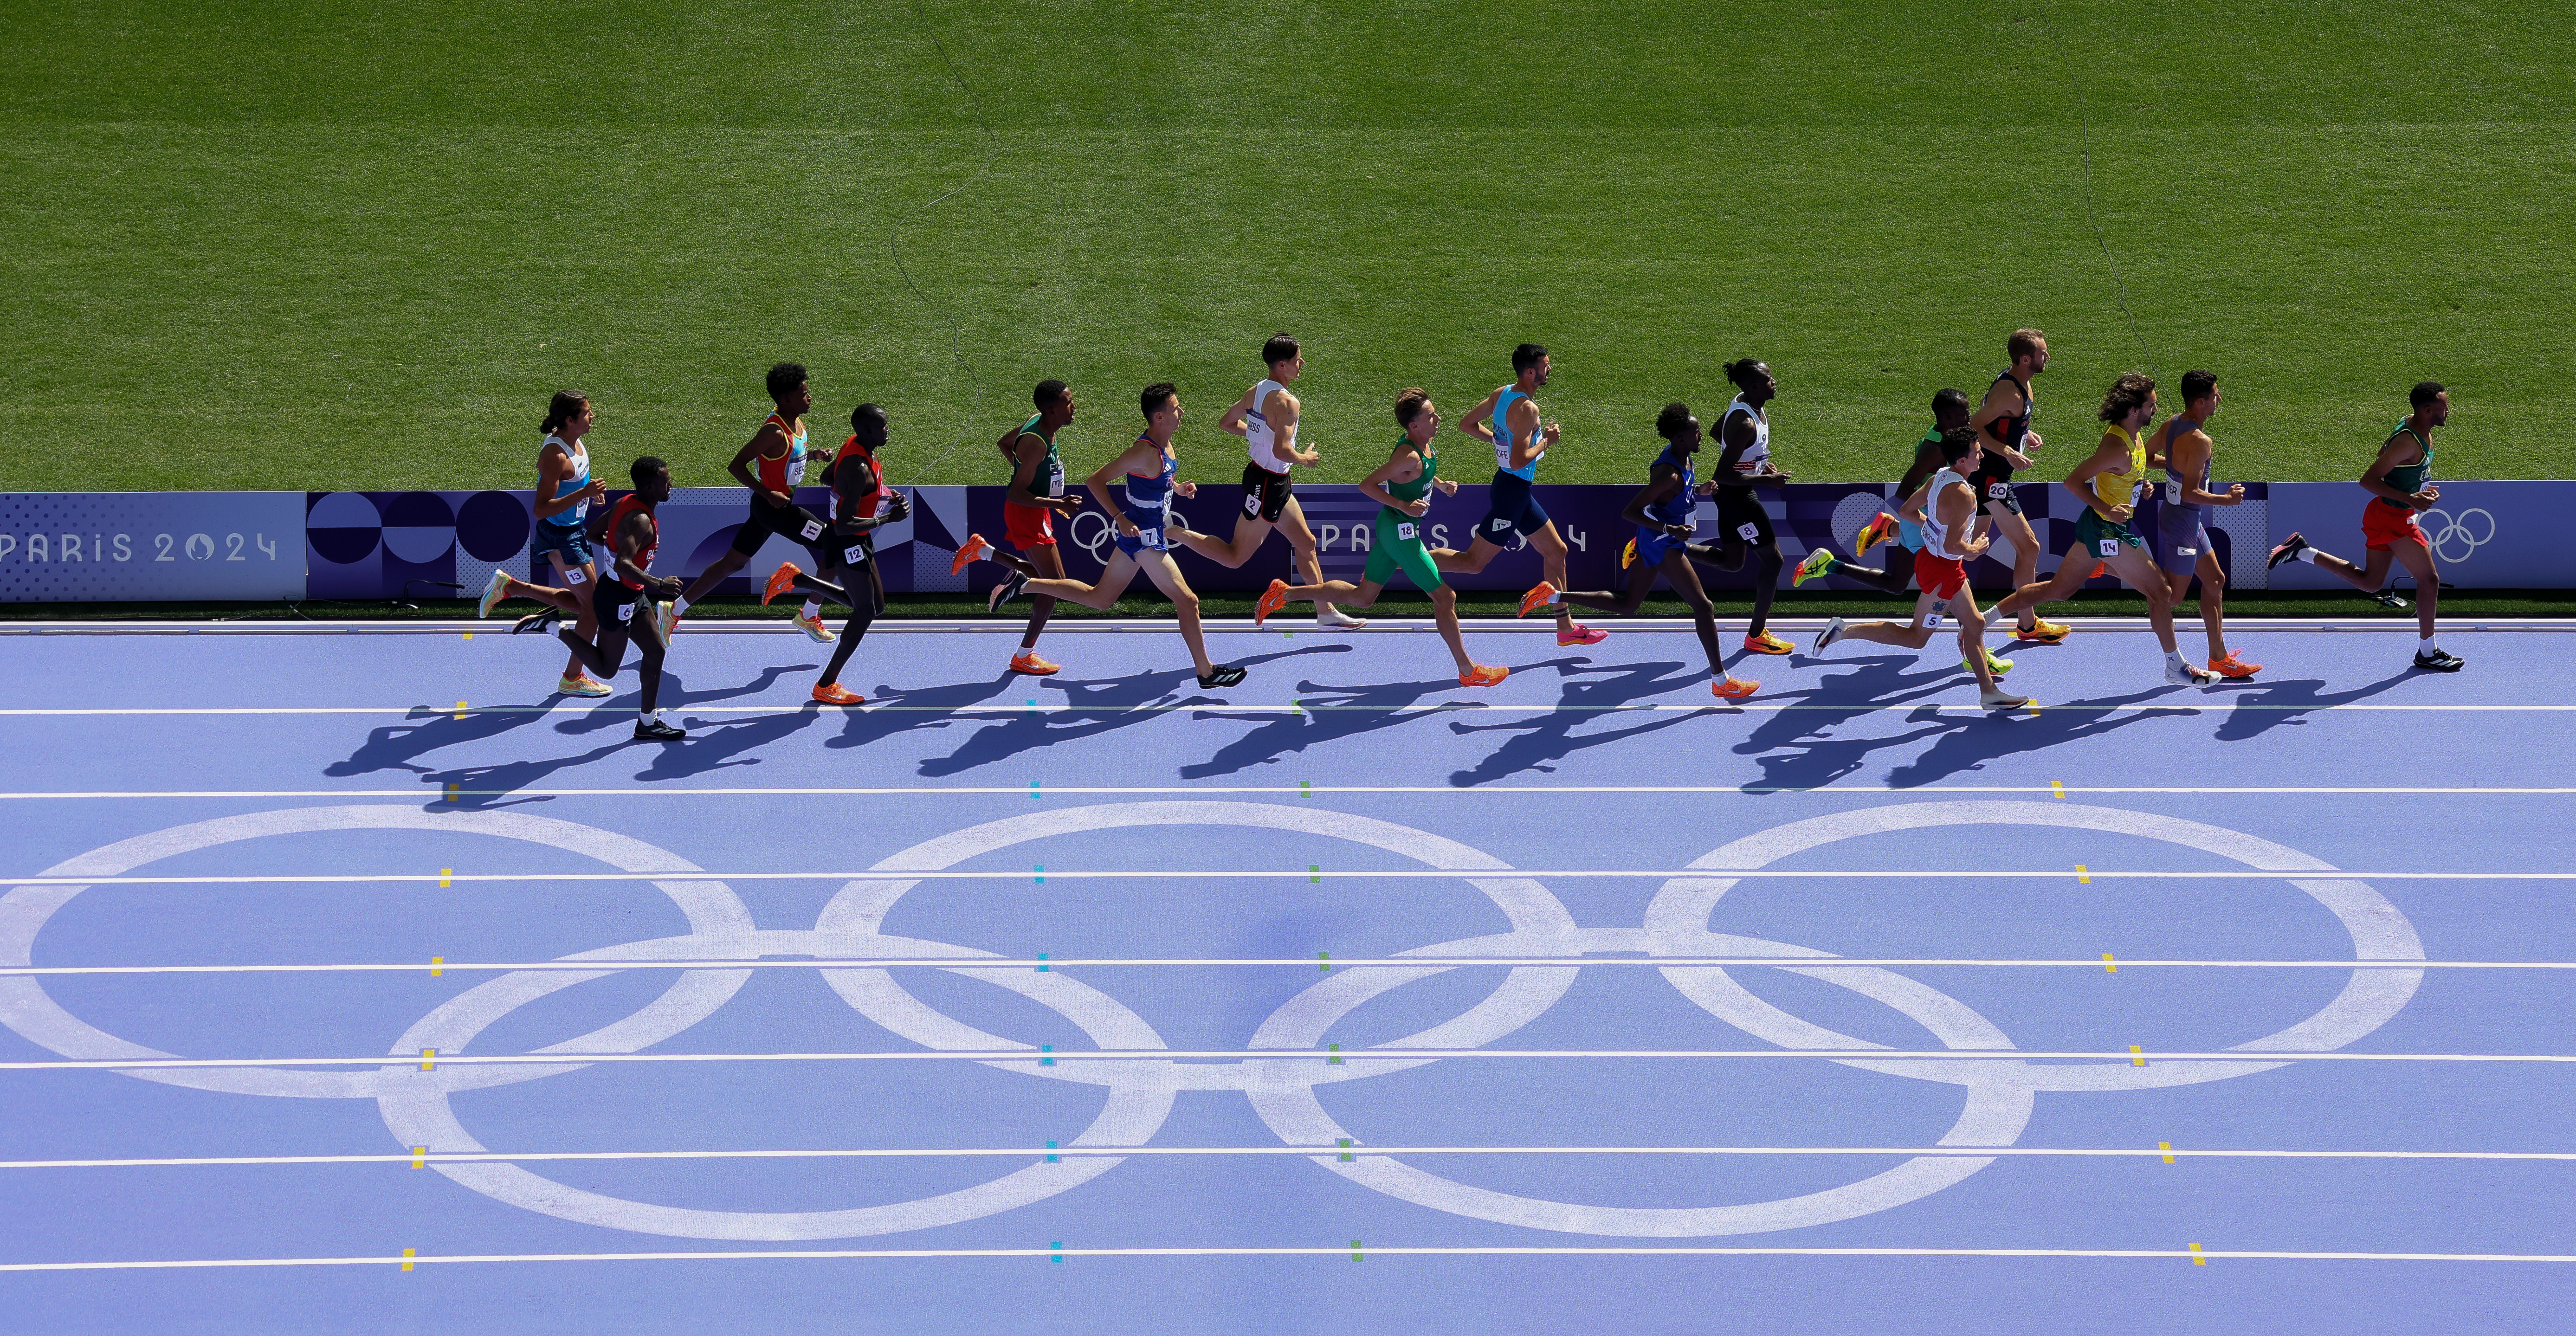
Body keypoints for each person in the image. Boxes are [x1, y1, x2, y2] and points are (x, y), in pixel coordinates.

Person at [988, 383, 1247, 688]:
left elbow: (1160, 479)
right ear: (1159, 417)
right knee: (1188, 600)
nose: (1182, 412)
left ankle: (1024, 583)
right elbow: (1095, 481)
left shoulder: (1166, 445)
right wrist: (1119, 518)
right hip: (1144, 537)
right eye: (1176, 408)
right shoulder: (1142, 452)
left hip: (1144, 533)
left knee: (1099, 598)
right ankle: (1206, 672)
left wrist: (1178, 488)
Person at [1250, 388, 1509, 686]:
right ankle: (1468, 671)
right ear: (1414, 425)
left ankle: (1284, 593)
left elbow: (1418, 473)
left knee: (1363, 598)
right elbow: (1367, 485)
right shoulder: (1407, 455)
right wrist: (1403, 505)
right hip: (1400, 532)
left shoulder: (1424, 445)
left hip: (1395, 529)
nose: (1438, 418)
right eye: (1431, 416)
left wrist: (1439, 485)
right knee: (1446, 596)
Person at [1513, 403, 1761, 699]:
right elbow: (1630, 512)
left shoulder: (1684, 459)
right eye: (1696, 432)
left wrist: (1699, 491)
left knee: (1628, 604)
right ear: (1680, 438)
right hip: (1663, 545)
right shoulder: (1668, 473)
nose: (1701, 435)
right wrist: (1670, 529)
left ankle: (1552, 595)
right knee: (1704, 607)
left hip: (1655, 541)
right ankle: (1721, 682)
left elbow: (1674, 497)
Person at [1988, 373, 2214, 686]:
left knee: (2058, 590)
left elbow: (2125, 472)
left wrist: (2141, 485)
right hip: (2108, 531)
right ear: (2134, 410)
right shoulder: (2116, 447)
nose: (2156, 409)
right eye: (2152, 405)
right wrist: (2108, 509)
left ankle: (1982, 620)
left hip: (2098, 528)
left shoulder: (2134, 436)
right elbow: (2073, 482)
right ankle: (2175, 666)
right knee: (2161, 592)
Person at [1809, 427, 2030, 710]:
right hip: (1944, 573)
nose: (1982, 456)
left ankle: (1989, 692)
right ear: (1962, 460)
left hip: (1933, 562)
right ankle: (1844, 631)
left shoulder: (1940, 476)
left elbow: (1906, 512)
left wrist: (1935, 528)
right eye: (1977, 453)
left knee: (1975, 625)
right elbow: (1953, 546)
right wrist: (1975, 549)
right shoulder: (1965, 495)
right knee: (1916, 638)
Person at [1165, 334, 1362, 628]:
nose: (1302, 364)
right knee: (1235, 557)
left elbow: (1227, 423)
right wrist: (1305, 458)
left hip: (1273, 479)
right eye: (1298, 360)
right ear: (1282, 365)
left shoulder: (1255, 391)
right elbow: (1282, 451)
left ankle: (1325, 612)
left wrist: (1260, 435)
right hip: (1267, 485)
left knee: (1306, 543)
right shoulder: (1288, 402)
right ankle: (1173, 532)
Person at [2267, 382, 2464, 671]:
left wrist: (2419, 490)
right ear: (2427, 410)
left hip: (2390, 514)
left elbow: (2389, 459)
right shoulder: (2408, 441)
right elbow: (2368, 480)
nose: (2448, 411)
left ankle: (2303, 552)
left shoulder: (2416, 427)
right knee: (2430, 581)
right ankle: (2428, 651)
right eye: (2444, 407)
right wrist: (2410, 498)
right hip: (2392, 519)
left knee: (2371, 583)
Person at [1432, 343, 1606, 646]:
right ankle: (1403, 559)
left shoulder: (1502, 394)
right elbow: (1518, 460)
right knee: (1473, 563)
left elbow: (1467, 425)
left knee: (1557, 552)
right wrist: (1547, 441)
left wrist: (1499, 441)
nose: (1549, 369)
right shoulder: (1528, 409)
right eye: (1545, 366)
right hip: (1511, 493)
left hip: (1515, 489)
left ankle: (1565, 629)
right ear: (1530, 372)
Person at [666, 362, 840, 642]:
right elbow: (736, 466)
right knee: (835, 546)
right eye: (804, 394)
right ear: (787, 400)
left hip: (768, 507)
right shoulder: (774, 431)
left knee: (732, 563)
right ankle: (808, 614)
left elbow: (785, 459)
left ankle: (673, 610)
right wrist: (768, 493)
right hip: (775, 508)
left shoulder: (795, 421)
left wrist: (814, 455)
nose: (810, 397)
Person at [758, 403, 914, 704]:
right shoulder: (859, 468)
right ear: (867, 430)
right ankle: (826, 684)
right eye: (883, 426)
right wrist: (886, 518)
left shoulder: (857, 446)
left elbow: (827, 477)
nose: (888, 430)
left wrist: (881, 494)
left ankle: (798, 579)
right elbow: (843, 525)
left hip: (857, 539)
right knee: (865, 612)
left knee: (875, 607)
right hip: (848, 542)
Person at [535, 456, 686, 741]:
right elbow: (623, 564)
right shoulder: (641, 521)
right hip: (618, 598)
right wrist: (660, 584)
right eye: (666, 482)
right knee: (606, 669)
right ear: (651, 487)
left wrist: (615, 543)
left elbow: (594, 533)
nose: (671, 485)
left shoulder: (625, 502)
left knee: (656, 651)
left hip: (631, 594)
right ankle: (555, 627)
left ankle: (648, 723)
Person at [474, 390, 609, 696]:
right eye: (587, 413)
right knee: (593, 610)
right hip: (561, 537)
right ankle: (572, 678)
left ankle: (511, 588)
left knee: (588, 605)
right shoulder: (555, 455)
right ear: (570, 419)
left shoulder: (575, 441)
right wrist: (584, 493)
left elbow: (576, 481)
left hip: (574, 530)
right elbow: (541, 509)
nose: (592, 416)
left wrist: (589, 495)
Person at [949, 381, 1086, 676]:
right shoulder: (1037, 444)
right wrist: (1057, 501)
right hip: (1027, 514)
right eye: (1068, 402)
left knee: (1051, 582)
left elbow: (1005, 443)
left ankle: (984, 551)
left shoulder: (1039, 423)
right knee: (1054, 586)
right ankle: (1024, 655)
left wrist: (1033, 479)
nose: (1074, 407)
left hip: (1036, 510)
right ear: (1052, 410)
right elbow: (1015, 494)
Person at [2150, 370, 2260, 678]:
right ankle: (2114, 565)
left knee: (2215, 580)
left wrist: (2177, 465)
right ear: (2200, 402)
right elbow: (2190, 492)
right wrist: (2227, 500)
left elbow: (2145, 456)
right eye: (2214, 395)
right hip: (2181, 524)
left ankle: (2219, 658)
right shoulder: (2200, 442)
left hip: (2186, 520)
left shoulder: (2171, 423)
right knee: (2172, 597)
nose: (2219, 399)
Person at [1969, 329, 2072, 645]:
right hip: (1991, 479)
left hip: (1994, 476)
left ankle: (1894, 528)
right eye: (2043, 353)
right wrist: (2008, 451)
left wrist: (2025, 434)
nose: (2048, 356)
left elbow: (2005, 422)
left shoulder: (2022, 382)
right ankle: (2027, 625)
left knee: (1970, 547)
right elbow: (1973, 426)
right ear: (2026, 359)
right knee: (2030, 548)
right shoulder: (2010, 393)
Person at [1698, 359, 1795, 654]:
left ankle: (1664, 545)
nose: (1774, 382)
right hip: (1736, 497)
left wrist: (1757, 462)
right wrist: (1767, 480)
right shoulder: (1745, 423)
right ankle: (1756, 635)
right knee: (1774, 561)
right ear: (1754, 386)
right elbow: (1722, 475)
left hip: (1733, 493)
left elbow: (1717, 432)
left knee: (1733, 562)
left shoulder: (1745, 402)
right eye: (1769, 379)